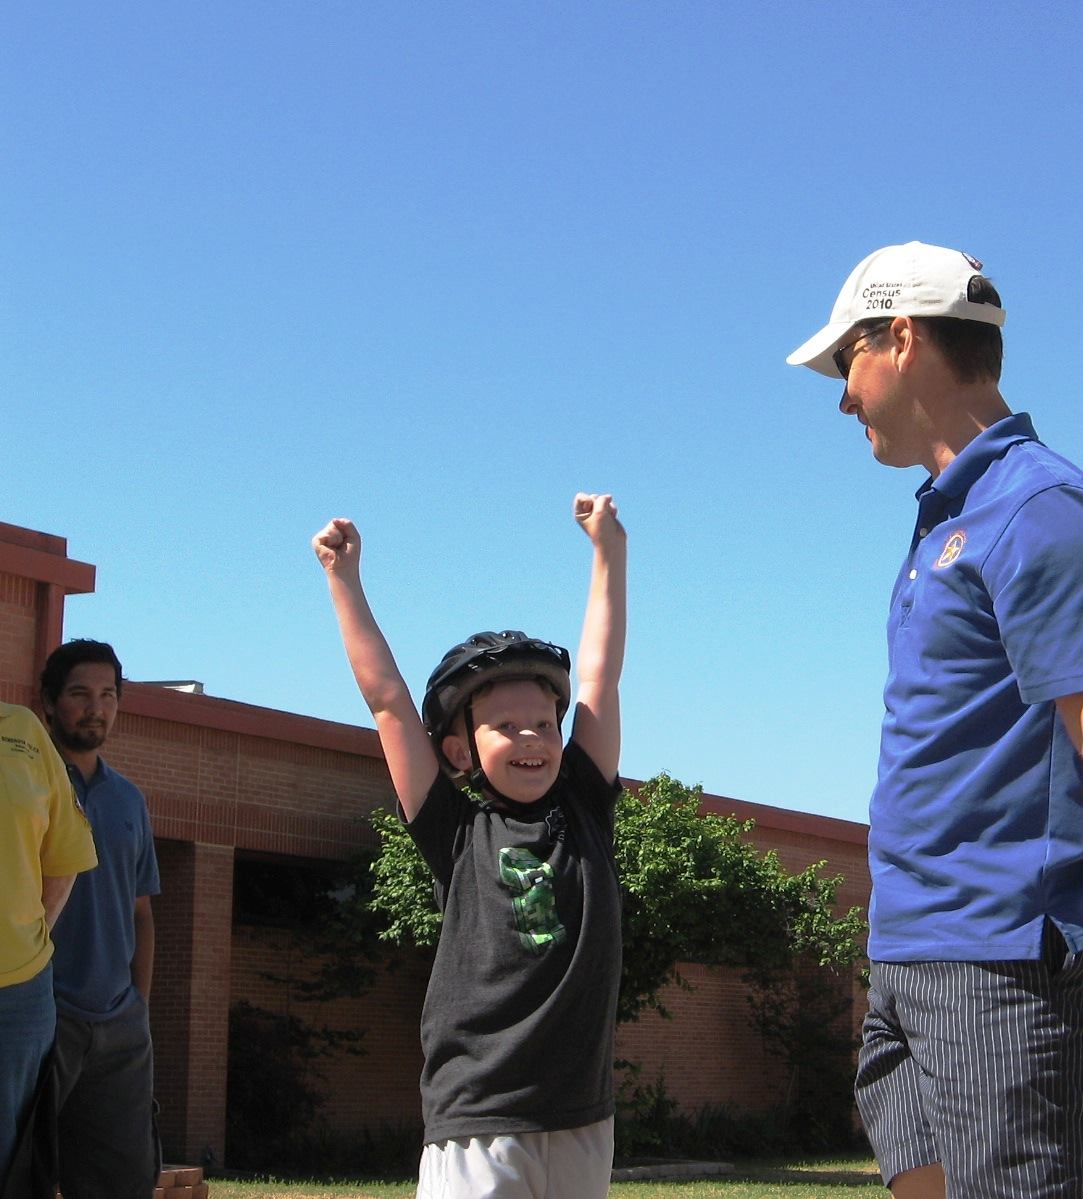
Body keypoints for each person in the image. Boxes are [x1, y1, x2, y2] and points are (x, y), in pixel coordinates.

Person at [787, 241, 1083, 1197]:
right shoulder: (943, 516)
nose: (840, 397)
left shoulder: (1036, 506)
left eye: (845, 363)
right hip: (907, 946)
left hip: (999, 954)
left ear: (901, 338)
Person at [312, 493, 626, 1199]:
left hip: (581, 1112)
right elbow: (388, 700)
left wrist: (608, 551)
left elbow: (601, 674)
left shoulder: (584, 803)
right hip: (479, 1115)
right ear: (457, 749)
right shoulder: (454, 829)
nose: (530, 739)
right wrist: (344, 578)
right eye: (504, 725)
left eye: (544, 723)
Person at [41, 640, 161, 1199]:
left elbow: (142, 911)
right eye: (80, 694)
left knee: (121, 1184)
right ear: (48, 702)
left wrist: (137, 1004)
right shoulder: (23, 787)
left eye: (108, 695)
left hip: (119, 1028)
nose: (96, 707)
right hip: (38, 1015)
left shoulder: (129, 800)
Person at [0, 700, 97, 1196]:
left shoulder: (21, 731)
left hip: (16, 993)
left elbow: (65, 853)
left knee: (11, 1161)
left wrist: (27, 938)